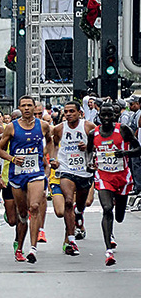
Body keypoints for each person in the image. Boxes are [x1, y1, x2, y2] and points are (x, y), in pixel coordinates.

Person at [0, 96, 54, 263]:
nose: (27, 108)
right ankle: (19, 247)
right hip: (17, 175)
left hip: (36, 172)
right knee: (21, 214)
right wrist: (13, 159)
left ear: (35, 107)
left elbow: (51, 142)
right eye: (24, 106)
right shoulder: (11, 127)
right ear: (19, 108)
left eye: (30, 105)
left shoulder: (43, 126)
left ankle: (33, 248)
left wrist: (46, 155)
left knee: (34, 206)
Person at [88, 101, 141, 266]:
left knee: (119, 216)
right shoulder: (93, 133)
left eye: (109, 115)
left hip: (122, 177)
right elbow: (89, 151)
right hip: (103, 176)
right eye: (103, 115)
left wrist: (125, 152)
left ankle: (114, 225)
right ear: (99, 116)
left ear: (115, 116)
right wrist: (90, 163)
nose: (106, 118)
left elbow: (138, 149)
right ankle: (108, 250)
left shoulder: (123, 130)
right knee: (107, 209)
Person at [51, 101, 96, 256]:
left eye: (72, 111)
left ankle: (79, 213)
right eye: (66, 111)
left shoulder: (89, 127)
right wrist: (54, 159)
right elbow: (54, 146)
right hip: (66, 169)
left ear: (79, 113)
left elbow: (99, 144)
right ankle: (71, 240)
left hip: (84, 171)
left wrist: (89, 147)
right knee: (68, 201)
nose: (68, 114)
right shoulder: (59, 129)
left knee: (81, 205)